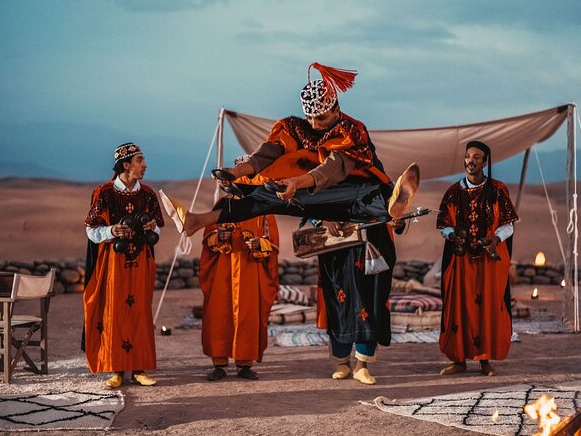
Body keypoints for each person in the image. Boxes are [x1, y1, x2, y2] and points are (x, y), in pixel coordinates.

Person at [158, 62, 419, 237]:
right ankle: (197, 221)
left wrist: (297, 181)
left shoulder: (351, 129)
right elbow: (269, 152)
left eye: (322, 118)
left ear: (336, 109)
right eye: (311, 119)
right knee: (263, 195)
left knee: (371, 196)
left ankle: (392, 204)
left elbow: (333, 168)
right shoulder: (294, 127)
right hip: (311, 195)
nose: (315, 124)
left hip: (348, 189)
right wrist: (237, 171)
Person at [83, 142, 164, 388]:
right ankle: (116, 370)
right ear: (126, 164)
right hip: (113, 263)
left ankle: (139, 369)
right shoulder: (104, 193)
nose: (145, 165)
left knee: (140, 312)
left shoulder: (148, 194)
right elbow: (91, 229)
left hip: (141, 261)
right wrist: (111, 230)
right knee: (115, 312)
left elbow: (157, 229)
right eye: (140, 160)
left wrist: (152, 228)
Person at [436, 140, 518, 377]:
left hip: (487, 262)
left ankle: (485, 360)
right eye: (468, 156)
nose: (471, 161)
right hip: (460, 262)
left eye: (477, 157)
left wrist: (496, 240)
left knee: (487, 308)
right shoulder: (452, 192)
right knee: (458, 307)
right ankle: (458, 359)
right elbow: (443, 224)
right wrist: (453, 236)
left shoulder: (498, 189)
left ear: (485, 162)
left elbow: (508, 224)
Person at [198, 157, 280, 381]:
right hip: (223, 272)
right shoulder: (222, 205)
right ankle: (219, 363)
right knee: (219, 314)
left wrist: (259, 244)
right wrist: (219, 236)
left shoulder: (263, 207)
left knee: (248, 315)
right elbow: (208, 239)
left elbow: (272, 243)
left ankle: (244, 363)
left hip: (249, 271)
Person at [315, 218, 401, 385]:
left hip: (373, 244)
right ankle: (342, 362)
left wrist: (397, 222)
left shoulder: (380, 190)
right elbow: (308, 206)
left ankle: (362, 366)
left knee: (370, 303)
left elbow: (393, 207)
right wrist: (323, 222)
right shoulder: (323, 190)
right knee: (339, 303)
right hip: (338, 247)